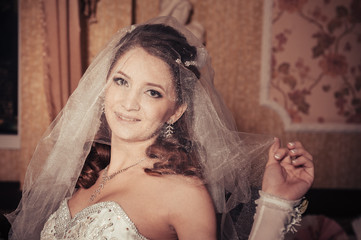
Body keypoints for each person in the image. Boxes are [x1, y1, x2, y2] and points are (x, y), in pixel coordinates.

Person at [6, 16, 314, 240]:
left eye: (152, 91)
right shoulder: (85, 175)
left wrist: (276, 202)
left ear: (175, 111)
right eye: (121, 81)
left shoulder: (184, 194)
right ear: (104, 87)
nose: (129, 102)